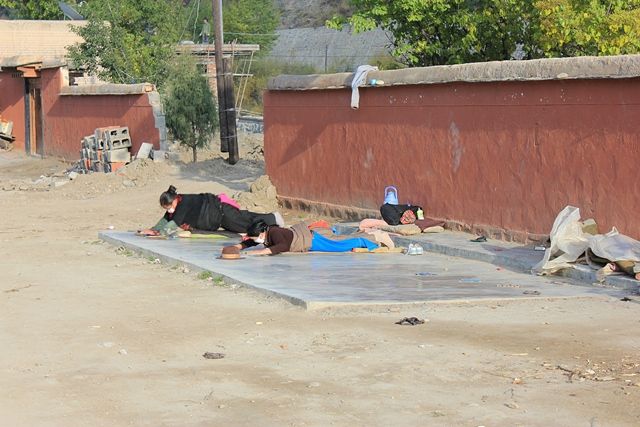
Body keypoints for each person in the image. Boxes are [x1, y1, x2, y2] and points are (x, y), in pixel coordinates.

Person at [139, 185, 284, 236]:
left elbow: (173, 223)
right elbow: (165, 219)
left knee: (246, 220)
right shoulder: (176, 206)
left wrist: (159, 233)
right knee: (245, 227)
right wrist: (152, 229)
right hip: (219, 219)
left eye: (170, 206)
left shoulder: (183, 203)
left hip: (221, 211)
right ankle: (272, 226)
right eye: (167, 208)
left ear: (175, 199)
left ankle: (273, 218)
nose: (170, 210)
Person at [226, 219, 393, 256]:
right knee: (341, 241)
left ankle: (374, 237)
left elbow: (282, 246)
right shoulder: (265, 235)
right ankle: (370, 234)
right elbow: (250, 241)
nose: (255, 240)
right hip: (311, 239)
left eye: (256, 237)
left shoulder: (274, 232)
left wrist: (260, 252)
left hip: (313, 239)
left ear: (262, 233)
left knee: (341, 244)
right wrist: (237, 248)